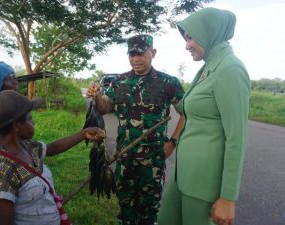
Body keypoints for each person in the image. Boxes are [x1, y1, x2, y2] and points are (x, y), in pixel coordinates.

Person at [157, 7, 250, 225]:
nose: (186, 44)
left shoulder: (230, 69)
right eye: (186, 37)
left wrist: (228, 197)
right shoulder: (208, 68)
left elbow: (237, 138)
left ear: (210, 32)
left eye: (191, 37)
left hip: (203, 183)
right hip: (185, 176)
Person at [86, 34, 185, 225]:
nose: (135, 58)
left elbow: (187, 113)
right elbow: (105, 107)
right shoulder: (120, 81)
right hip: (124, 156)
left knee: (149, 209)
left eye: (140, 53)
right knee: (126, 207)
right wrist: (97, 96)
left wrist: (172, 142)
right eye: (131, 54)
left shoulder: (168, 83)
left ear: (153, 53)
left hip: (153, 159)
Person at [0, 90, 104, 225]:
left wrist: (84, 133)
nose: (33, 122)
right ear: (16, 126)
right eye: (30, 118)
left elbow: (52, 148)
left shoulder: (26, 146)